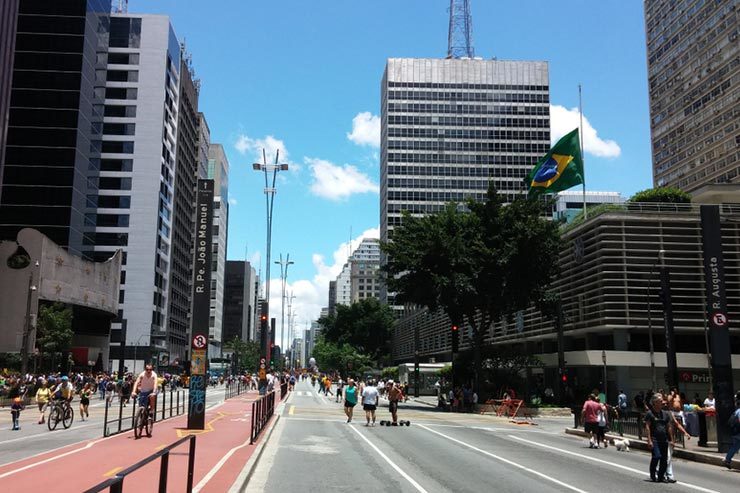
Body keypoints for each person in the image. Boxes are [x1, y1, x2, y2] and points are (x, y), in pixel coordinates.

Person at [645, 393, 674, 483]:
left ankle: (661, 476)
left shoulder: (665, 414)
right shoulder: (650, 414)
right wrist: (649, 440)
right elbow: (647, 427)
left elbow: (668, 427)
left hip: (664, 439)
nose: (662, 403)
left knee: (664, 460)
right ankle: (653, 474)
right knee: (657, 456)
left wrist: (671, 439)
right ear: (655, 402)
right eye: (660, 401)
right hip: (655, 439)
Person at [722, 398, 740, 469]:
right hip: (738, 432)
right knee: (735, 446)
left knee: (735, 446)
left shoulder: (737, 411)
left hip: (735, 432)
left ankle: (727, 460)